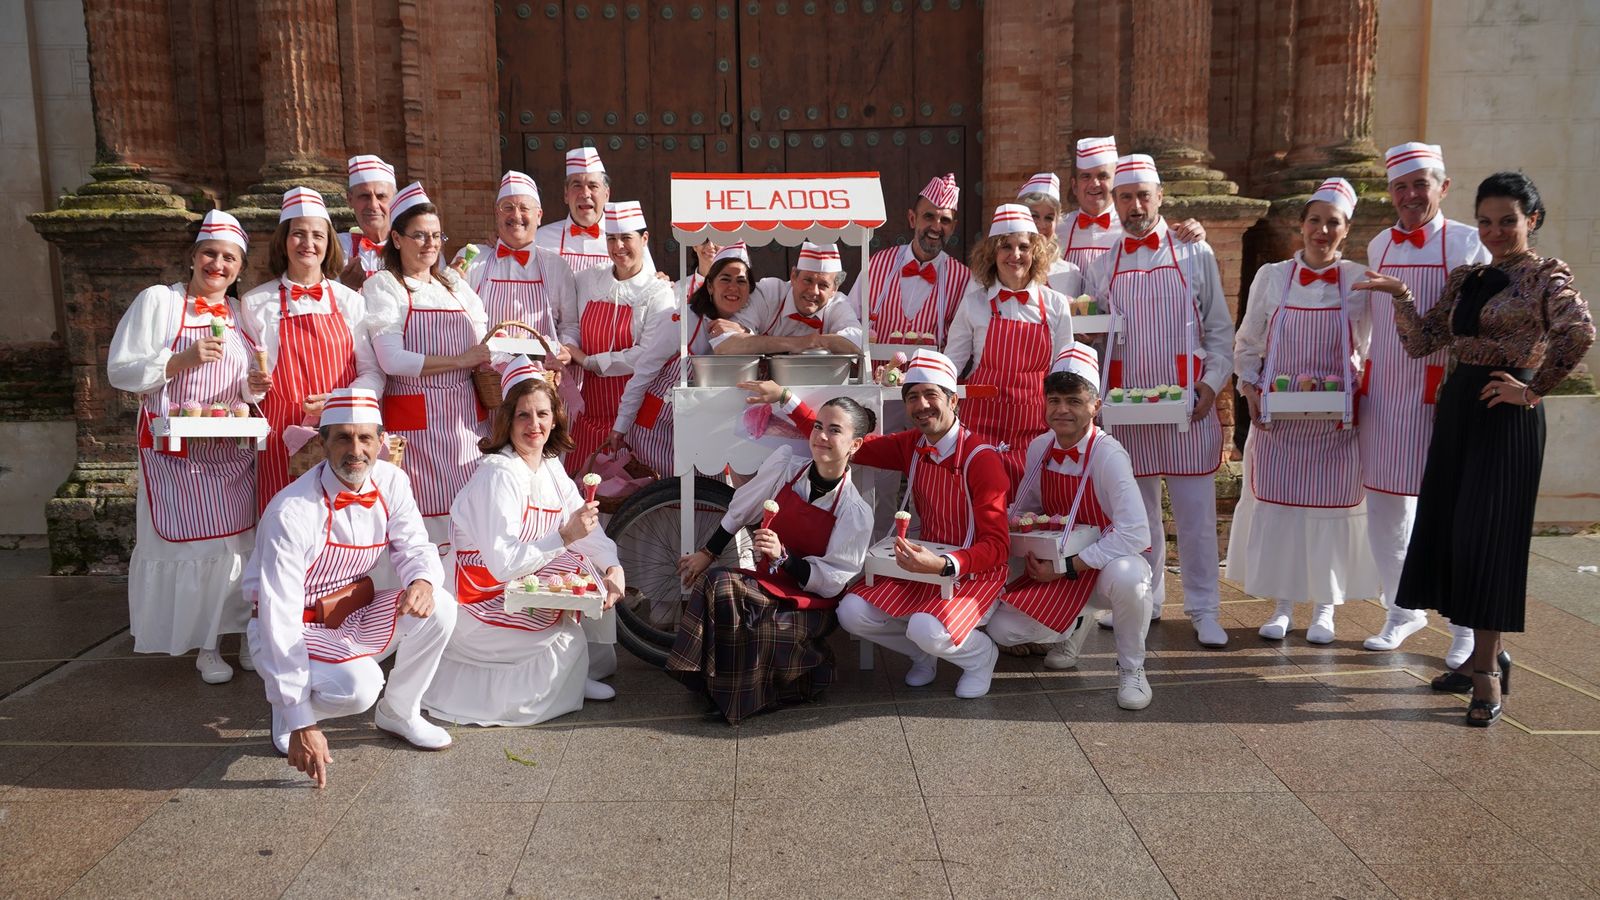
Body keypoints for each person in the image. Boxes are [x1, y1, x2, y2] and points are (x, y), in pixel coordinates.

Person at [1359, 172, 1593, 726]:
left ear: (1531, 221)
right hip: (1460, 407)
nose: (1494, 231)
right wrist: (1401, 296)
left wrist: (1532, 388)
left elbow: (1579, 331)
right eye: (1485, 221)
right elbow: (1421, 343)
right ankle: (1477, 661)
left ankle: (1486, 673)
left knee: (1489, 541)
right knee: (1455, 534)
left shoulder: (1544, 277)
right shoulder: (1467, 278)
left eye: (1507, 220)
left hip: (1505, 416)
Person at [746, 350, 1009, 698]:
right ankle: (922, 654)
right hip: (920, 562)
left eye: (931, 394)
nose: (921, 405)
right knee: (852, 612)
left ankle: (980, 657)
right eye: (912, 397)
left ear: (953, 400)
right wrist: (786, 398)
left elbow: (999, 547)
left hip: (972, 571)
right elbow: (848, 444)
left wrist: (946, 564)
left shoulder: (982, 458)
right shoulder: (913, 444)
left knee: (925, 626)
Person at [246, 389, 458, 786]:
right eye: (343, 437)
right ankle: (290, 706)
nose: (355, 449)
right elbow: (279, 618)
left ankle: (400, 712)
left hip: (352, 612)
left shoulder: (392, 480)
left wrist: (423, 580)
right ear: (322, 442)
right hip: (295, 627)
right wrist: (300, 721)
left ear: (381, 441)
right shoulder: (291, 512)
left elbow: (415, 545)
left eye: (365, 438)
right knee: (361, 688)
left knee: (442, 607)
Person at [107, 210, 266, 684]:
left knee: (237, 544)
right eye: (210, 254)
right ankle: (207, 646)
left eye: (229, 258)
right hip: (176, 454)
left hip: (229, 450)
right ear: (193, 256)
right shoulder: (160, 302)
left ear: (239, 267)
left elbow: (240, 387)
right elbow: (121, 371)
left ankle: (243, 640)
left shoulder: (238, 314)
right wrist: (181, 358)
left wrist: (253, 387)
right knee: (197, 547)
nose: (218, 264)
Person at [1083, 154, 1234, 649]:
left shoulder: (1195, 252)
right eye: (1125, 196)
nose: (1135, 205)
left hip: (1189, 408)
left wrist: (1212, 385)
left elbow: (1218, 329)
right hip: (1129, 410)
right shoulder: (1105, 263)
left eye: (1143, 194)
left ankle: (1205, 609)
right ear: (1116, 202)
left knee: (1195, 520)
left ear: (1160, 196)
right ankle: (1145, 601)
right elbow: (1097, 339)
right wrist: (1098, 397)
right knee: (1139, 519)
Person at [422, 359, 625, 725]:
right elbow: (503, 563)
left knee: (592, 581)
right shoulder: (498, 474)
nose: (535, 425)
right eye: (523, 416)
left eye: (542, 414)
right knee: (568, 641)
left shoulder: (548, 464)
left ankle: (574, 677)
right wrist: (564, 537)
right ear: (507, 421)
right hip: (480, 594)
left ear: (555, 418)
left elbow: (584, 523)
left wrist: (613, 566)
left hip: (520, 580)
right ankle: (561, 682)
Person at [1359, 143, 1494, 662]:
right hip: (1385, 393)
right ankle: (1401, 608)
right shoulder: (1377, 245)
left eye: (1421, 184)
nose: (1411, 195)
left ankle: (1463, 625)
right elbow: (1367, 325)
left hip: (1443, 395)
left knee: (1452, 512)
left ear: (1444, 186)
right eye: (1400, 186)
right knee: (1385, 512)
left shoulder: (1468, 243)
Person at [1227, 178, 1378, 643]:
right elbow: (1250, 340)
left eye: (1333, 222)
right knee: (1284, 513)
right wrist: (1250, 387)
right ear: (1302, 225)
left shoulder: (1359, 281)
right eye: (1315, 220)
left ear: (1345, 230)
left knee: (1327, 516)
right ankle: (1283, 604)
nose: (1322, 230)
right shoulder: (1272, 277)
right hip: (1279, 418)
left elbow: (1370, 348)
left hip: (1336, 423)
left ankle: (1325, 608)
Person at [670, 397, 876, 723]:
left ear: (855, 444)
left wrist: (785, 557)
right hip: (768, 583)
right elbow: (741, 509)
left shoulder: (855, 512)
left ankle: (807, 673)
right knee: (719, 584)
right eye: (819, 426)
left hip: (811, 603)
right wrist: (706, 555)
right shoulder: (785, 468)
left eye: (834, 430)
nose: (821, 436)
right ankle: (714, 687)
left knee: (760, 623)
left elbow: (833, 581)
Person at [985, 343, 1155, 709]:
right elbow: (1026, 510)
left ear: (1095, 406)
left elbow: (1136, 533)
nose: (1062, 409)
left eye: (1074, 401)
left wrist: (1066, 567)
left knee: (1130, 579)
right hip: (1059, 562)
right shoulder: (1039, 447)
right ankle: (1074, 627)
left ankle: (1132, 669)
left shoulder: (1109, 455)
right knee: (1004, 630)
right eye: (1055, 399)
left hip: (1101, 565)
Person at [364, 182, 491, 550]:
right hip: (414, 426)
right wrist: (460, 360)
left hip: (465, 420)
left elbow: (483, 339)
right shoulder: (385, 286)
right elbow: (392, 359)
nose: (430, 244)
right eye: (419, 235)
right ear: (398, 239)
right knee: (422, 521)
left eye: (436, 235)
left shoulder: (453, 284)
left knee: (467, 516)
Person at [241, 187, 383, 513]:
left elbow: (372, 373)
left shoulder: (350, 301)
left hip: (344, 435)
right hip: (280, 439)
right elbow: (247, 382)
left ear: (328, 243)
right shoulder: (255, 303)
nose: (308, 243)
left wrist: (338, 400)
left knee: (343, 525)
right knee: (284, 523)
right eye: (298, 234)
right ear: (283, 240)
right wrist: (253, 386)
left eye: (317, 235)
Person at [946, 203, 1074, 487]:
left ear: (1035, 252)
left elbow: (1066, 372)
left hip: (1036, 433)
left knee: (1031, 518)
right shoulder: (974, 304)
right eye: (1006, 246)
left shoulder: (1054, 305)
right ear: (992, 252)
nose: (1015, 255)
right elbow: (951, 364)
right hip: (981, 430)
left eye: (1024, 247)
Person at [612, 242, 754, 474]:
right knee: (664, 499)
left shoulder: (751, 325)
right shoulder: (680, 319)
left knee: (706, 497)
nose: (733, 288)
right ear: (709, 285)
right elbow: (644, 372)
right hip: (657, 431)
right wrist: (620, 426)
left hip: (707, 430)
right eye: (725, 279)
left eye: (741, 281)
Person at [560, 200, 675, 472]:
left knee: (633, 492)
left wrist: (589, 361)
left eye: (626, 238)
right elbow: (570, 322)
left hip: (634, 414)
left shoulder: (659, 292)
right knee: (587, 489)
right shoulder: (588, 279)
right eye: (611, 238)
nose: (618, 246)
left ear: (644, 239)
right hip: (589, 409)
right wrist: (569, 346)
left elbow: (646, 355)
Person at [848, 173, 971, 358]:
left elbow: (965, 342)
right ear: (912, 219)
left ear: (953, 227)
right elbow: (850, 319)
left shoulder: (963, 278)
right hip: (875, 381)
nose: (937, 227)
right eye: (929, 217)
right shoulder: (877, 263)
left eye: (945, 220)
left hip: (929, 384)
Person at [453, 170, 577, 350]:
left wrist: (567, 348)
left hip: (541, 373)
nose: (516, 215)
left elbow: (570, 325)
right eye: (507, 208)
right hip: (484, 373)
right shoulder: (472, 258)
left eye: (524, 208)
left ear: (539, 216)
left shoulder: (557, 267)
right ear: (497, 213)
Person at [1059, 137, 1207, 273]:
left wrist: (1193, 233)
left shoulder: (1135, 225)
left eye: (1103, 176)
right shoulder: (1058, 230)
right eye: (1086, 176)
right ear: (1074, 186)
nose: (1094, 184)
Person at [713, 241, 864, 356]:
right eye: (807, 280)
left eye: (823, 285)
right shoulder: (767, 293)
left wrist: (815, 340)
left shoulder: (838, 304)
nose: (813, 291)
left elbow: (857, 342)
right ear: (793, 277)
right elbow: (724, 344)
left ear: (834, 290)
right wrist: (799, 343)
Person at [535, 147, 613, 273]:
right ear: (566, 194)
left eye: (593, 186)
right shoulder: (541, 238)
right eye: (577, 186)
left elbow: (645, 283)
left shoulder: (624, 238)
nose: (585, 194)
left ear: (606, 195)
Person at [1015, 172, 1084, 297]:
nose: (1042, 225)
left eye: (1049, 218)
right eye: (1034, 216)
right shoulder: (1005, 266)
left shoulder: (1070, 273)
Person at [336, 154, 397, 288]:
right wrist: (345, 286)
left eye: (381, 196)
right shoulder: (336, 248)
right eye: (364, 196)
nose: (373, 205)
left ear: (395, 200)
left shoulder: (412, 246)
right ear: (350, 200)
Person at [675, 238, 721, 303]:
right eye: (704, 239)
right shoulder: (680, 288)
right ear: (694, 246)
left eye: (716, 239)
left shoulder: (734, 287)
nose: (710, 245)